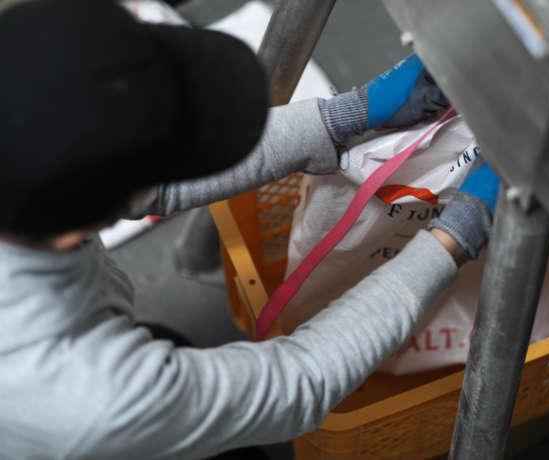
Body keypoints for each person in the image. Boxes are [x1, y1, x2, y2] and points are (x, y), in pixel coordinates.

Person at [0, 0, 499, 459]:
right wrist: (452, 235)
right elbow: (301, 377)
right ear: (80, 228)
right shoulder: (92, 396)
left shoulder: (25, 171)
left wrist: (346, 115)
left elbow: (149, 184)